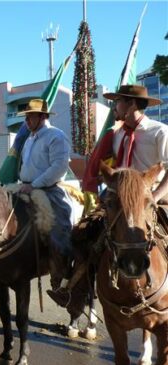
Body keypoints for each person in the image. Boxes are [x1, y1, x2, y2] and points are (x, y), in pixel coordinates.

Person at [49, 85, 168, 307]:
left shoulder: (159, 131)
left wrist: (154, 196)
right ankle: (74, 289)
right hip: (117, 201)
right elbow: (111, 165)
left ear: (131, 104)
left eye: (118, 102)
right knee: (83, 234)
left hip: (151, 199)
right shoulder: (117, 134)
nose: (115, 106)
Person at [14, 99, 75, 297]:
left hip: (49, 189)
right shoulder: (29, 139)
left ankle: (62, 278)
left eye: (31, 116)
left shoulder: (56, 136)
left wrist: (34, 184)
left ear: (43, 116)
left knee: (60, 229)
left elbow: (59, 167)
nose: (27, 120)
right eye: (27, 117)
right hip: (25, 186)